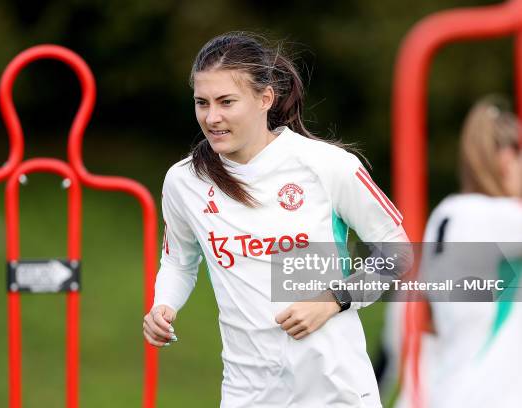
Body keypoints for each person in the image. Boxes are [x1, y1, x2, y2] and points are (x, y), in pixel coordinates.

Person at [142, 32, 411, 407]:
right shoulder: (184, 181)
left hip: (336, 390)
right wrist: (163, 305)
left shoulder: (325, 165)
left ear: (264, 99)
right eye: (202, 103)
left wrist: (333, 299)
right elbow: (178, 261)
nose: (212, 117)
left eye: (226, 102)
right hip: (247, 393)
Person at [390, 96, 522, 407]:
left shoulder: (448, 213)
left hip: (450, 388)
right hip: (492, 393)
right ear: (505, 159)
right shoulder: (498, 217)